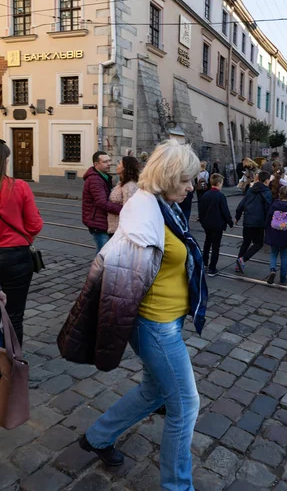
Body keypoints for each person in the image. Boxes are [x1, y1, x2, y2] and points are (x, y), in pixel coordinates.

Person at [58, 140, 207, 489]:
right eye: (186, 180)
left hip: (168, 319)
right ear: (169, 176)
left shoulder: (162, 204)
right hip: (155, 325)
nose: (190, 187)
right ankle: (178, 486)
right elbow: (121, 283)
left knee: (155, 392)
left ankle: (97, 437)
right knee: (185, 406)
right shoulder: (143, 212)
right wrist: (112, 337)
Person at [0, 140, 43, 346]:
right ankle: (11, 363)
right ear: (5, 161)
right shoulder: (19, 187)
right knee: (14, 315)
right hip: (15, 256)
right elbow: (35, 224)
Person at [82, 152, 122, 253]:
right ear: (96, 164)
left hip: (101, 220)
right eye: (105, 162)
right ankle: (98, 269)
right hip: (98, 222)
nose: (109, 163)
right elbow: (101, 202)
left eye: (109, 161)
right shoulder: (95, 179)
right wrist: (123, 209)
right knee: (103, 255)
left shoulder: (103, 176)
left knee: (105, 253)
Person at [235, 171, 272, 273]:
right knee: (258, 243)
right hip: (259, 222)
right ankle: (242, 259)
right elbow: (267, 209)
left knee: (246, 242)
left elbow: (241, 204)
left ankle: (238, 265)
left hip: (247, 220)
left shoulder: (250, 190)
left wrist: (237, 216)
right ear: (266, 180)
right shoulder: (267, 192)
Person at [199, 173, 233, 276]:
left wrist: (203, 221)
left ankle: (204, 263)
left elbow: (201, 210)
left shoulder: (206, 195)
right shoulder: (220, 196)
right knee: (215, 246)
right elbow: (225, 211)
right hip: (217, 224)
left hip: (207, 224)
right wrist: (230, 222)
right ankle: (212, 268)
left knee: (207, 243)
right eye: (222, 183)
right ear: (218, 183)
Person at [265, 186, 287, 285]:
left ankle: (272, 270)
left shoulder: (274, 205)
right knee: (284, 255)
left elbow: (268, 219)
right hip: (286, 234)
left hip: (274, 233)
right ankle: (283, 278)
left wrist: (266, 230)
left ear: (280, 194)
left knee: (273, 253)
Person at [107, 156, 140, 235]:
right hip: (114, 227)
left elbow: (128, 210)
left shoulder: (129, 186)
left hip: (120, 230)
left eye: (119, 163)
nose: (117, 165)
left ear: (125, 168)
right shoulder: (121, 183)